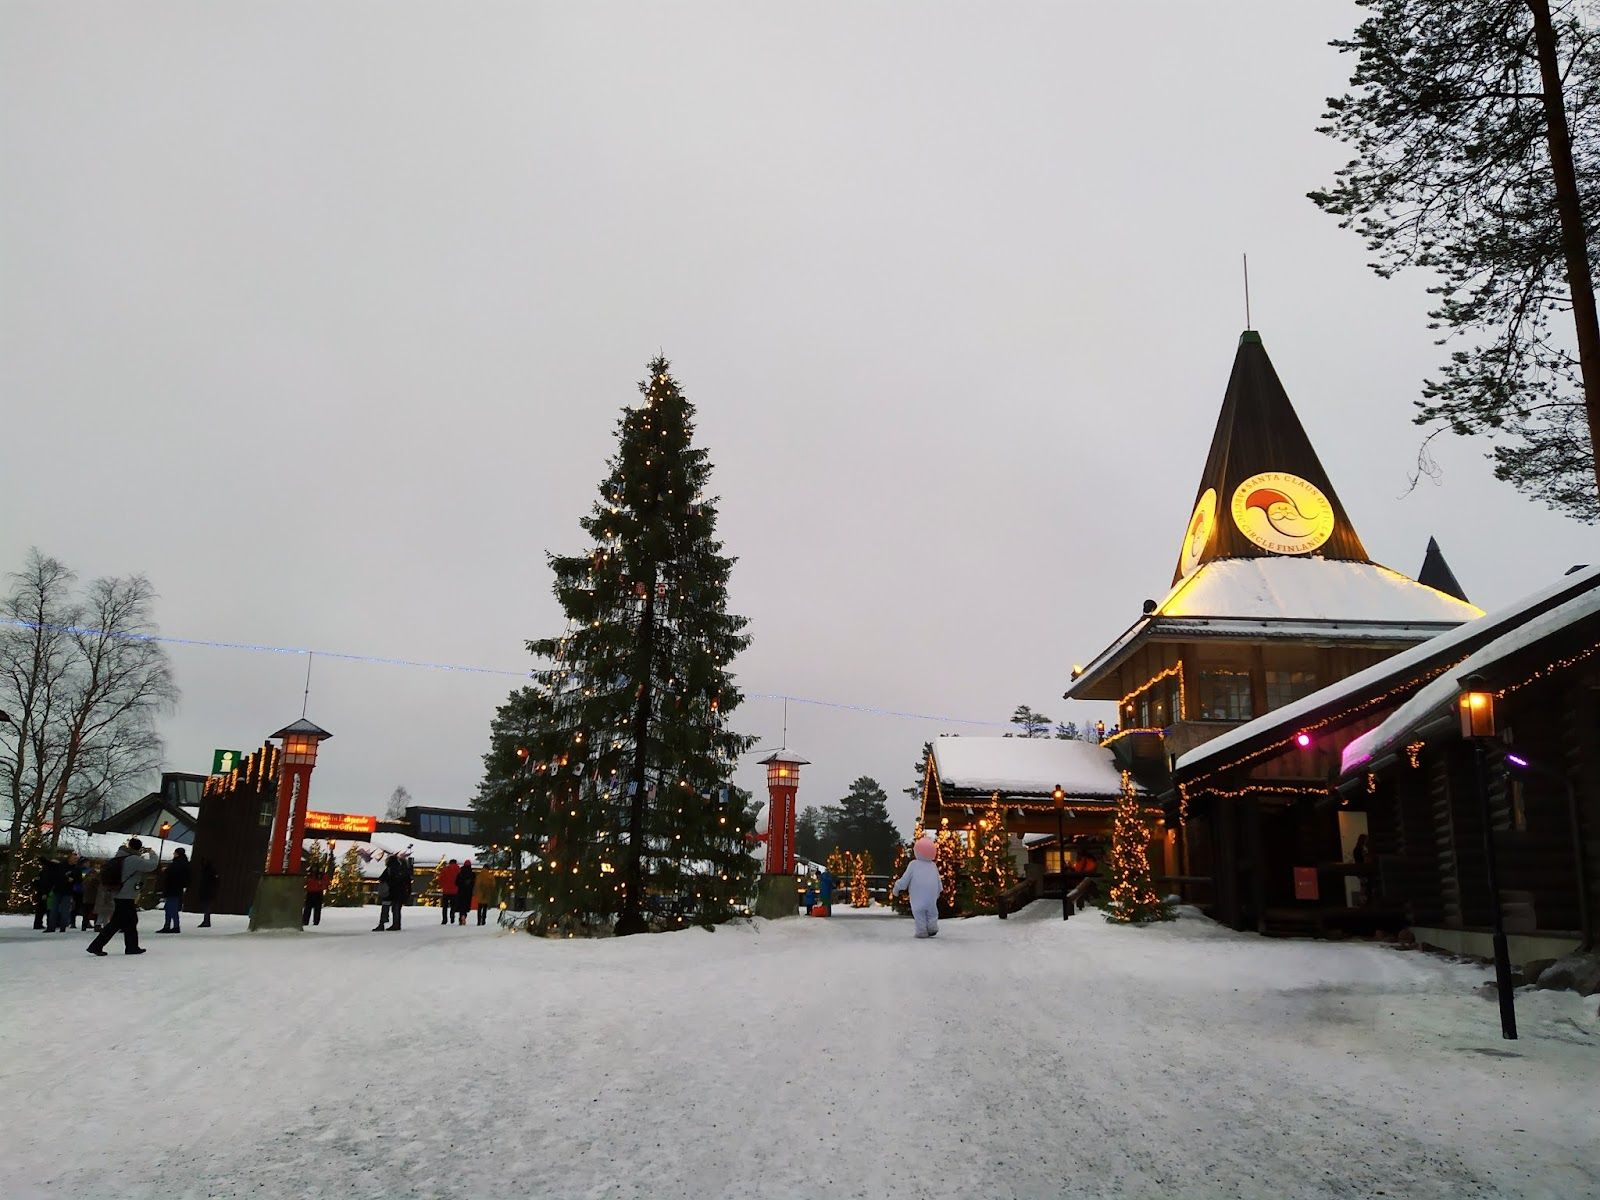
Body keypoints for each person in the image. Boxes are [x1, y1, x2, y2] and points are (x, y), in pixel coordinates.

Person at [86, 839, 158, 956]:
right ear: (138, 848)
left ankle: (132, 946)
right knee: (117, 922)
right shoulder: (133, 859)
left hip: (119, 892)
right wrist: (152, 853)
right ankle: (97, 946)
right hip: (126, 895)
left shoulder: (120, 857)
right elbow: (151, 866)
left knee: (130, 920)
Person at [892, 835, 944, 939]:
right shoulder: (933, 866)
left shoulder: (913, 865)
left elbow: (905, 879)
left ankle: (921, 931)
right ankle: (932, 926)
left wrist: (897, 888)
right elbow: (938, 881)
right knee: (932, 912)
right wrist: (939, 891)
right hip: (931, 896)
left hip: (917, 895)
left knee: (918, 912)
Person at [158, 848, 191, 933]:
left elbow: (173, 872)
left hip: (173, 888)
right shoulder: (184, 863)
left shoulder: (177, 863)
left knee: (170, 908)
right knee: (171, 908)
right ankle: (171, 925)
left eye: (175, 853)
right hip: (177, 888)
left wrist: (166, 870)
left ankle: (171, 926)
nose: (173, 854)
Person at [383, 851, 414, 931]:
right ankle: (397, 924)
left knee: (395, 908)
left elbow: (384, 878)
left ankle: (395, 924)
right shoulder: (405, 870)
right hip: (402, 891)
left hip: (393, 891)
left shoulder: (391, 869)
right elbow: (408, 881)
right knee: (397, 908)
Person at [196, 859, 219, 928]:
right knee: (206, 907)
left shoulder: (207, 871)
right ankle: (206, 921)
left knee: (207, 907)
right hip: (208, 892)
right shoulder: (210, 871)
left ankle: (206, 921)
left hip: (207, 892)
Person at [437, 858, 460, 924]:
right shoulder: (458, 870)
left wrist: (442, 886)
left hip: (446, 891)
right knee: (453, 906)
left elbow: (440, 879)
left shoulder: (445, 869)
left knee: (445, 906)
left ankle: (444, 919)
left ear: (449, 863)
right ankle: (452, 916)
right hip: (455, 891)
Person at [454, 859, 476, 926]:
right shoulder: (472, 874)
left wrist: (461, 884)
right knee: (466, 906)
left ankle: (461, 917)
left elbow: (456, 883)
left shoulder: (460, 873)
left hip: (461, 892)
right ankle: (464, 916)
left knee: (461, 906)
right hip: (468, 893)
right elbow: (473, 883)